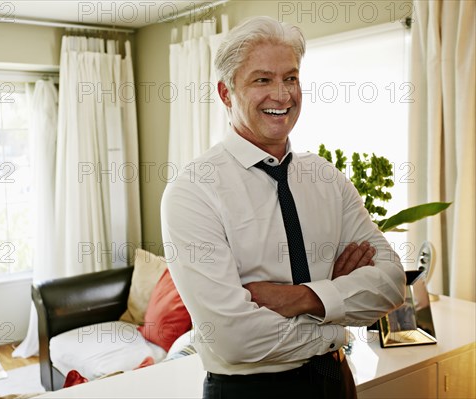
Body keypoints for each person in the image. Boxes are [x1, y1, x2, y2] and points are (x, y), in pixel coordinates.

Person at [160, 16, 406, 399]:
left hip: (337, 381)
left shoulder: (326, 177)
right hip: (249, 391)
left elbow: (391, 284)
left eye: (290, 78)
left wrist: (301, 298)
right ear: (226, 94)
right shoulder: (193, 192)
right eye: (262, 80)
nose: (282, 95)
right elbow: (233, 338)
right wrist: (336, 316)